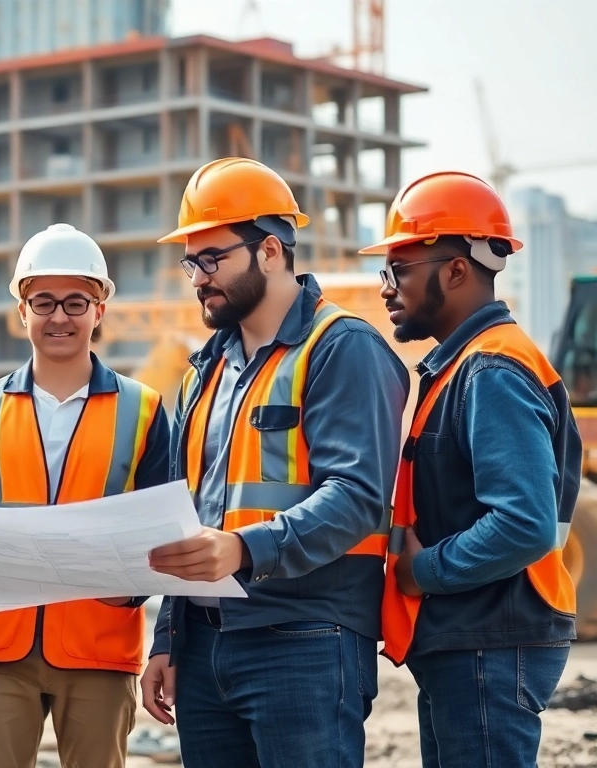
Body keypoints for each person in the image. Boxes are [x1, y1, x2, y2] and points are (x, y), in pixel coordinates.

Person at [142, 157, 409, 768]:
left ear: (269, 250)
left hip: (305, 640)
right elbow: (189, 517)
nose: (198, 278)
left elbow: (359, 495)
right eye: (191, 262)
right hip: (207, 646)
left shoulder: (342, 348)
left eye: (213, 259)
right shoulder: (206, 371)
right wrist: (170, 637)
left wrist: (244, 550)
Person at [0, 223, 171, 768]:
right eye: (43, 301)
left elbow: (166, 530)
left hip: (101, 645)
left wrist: (132, 594)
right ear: (22, 312)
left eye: (75, 302)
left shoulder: (146, 411)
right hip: (0, 649)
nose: (59, 316)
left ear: (100, 311)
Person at [367, 171, 579, 768]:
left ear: (457, 269)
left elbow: (523, 524)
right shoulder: (465, 366)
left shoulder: (492, 369)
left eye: (399, 269)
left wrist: (419, 572)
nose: (386, 287)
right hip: (474, 636)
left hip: (490, 639)